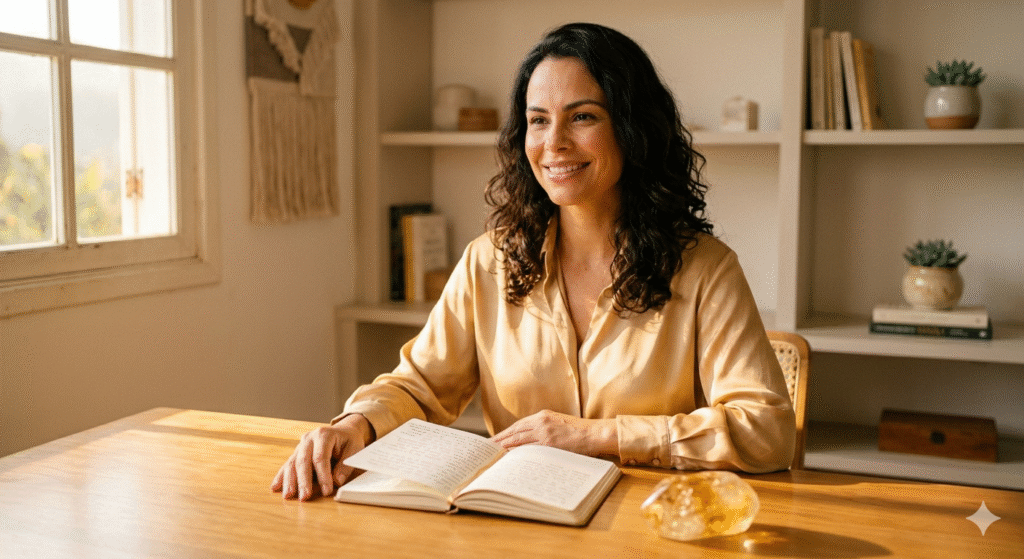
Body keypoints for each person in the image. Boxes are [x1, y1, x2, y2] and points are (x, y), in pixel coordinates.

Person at [273, 22, 795, 501]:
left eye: (583, 117)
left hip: (651, 526)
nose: (554, 144)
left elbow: (767, 430)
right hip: (515, 521)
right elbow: (419, 386)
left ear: (632, 128)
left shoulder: (706, 269)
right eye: (538, 121)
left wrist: (599, 436)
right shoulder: (489, 261)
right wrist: (354, 426)